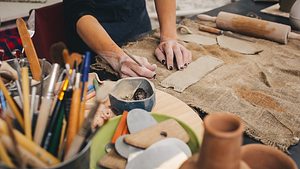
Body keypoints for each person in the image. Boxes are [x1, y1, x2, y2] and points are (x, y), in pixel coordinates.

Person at [63, 0, 192, 78]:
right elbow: (77, 10)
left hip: (139, 32)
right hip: (94, 44)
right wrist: (116, 57)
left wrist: (169, 36)